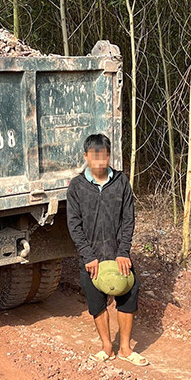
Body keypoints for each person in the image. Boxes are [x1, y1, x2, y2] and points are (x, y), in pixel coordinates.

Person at [66, 133, 148, 366]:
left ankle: (125, 349)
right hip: (91, 257)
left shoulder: (121, 182)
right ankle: (106, 347)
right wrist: (88, 256)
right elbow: (74, 224)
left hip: (117, 253)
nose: (100, 160)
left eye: (104, 155)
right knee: (96, 301)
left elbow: (128, 219)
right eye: (95, 155)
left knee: (130, 293)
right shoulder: (77, 187)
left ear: (109, 156)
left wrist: (123, 251)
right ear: (86, 156)